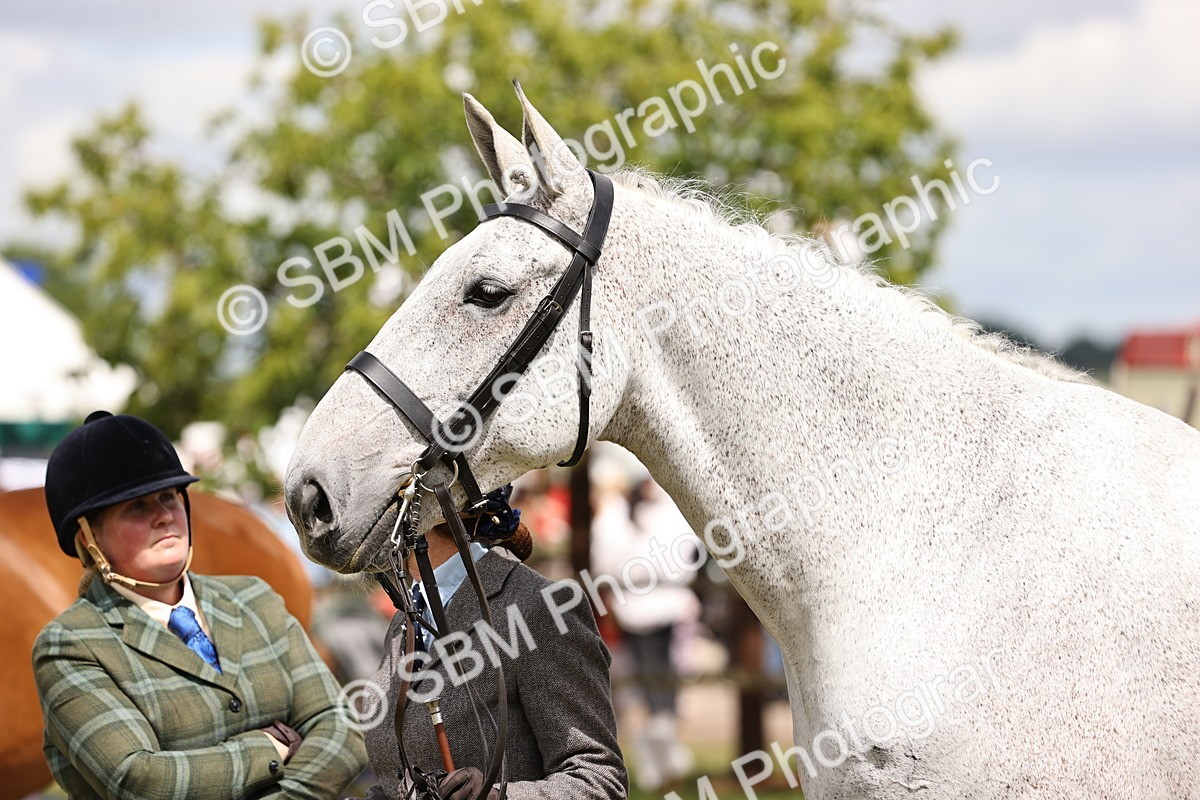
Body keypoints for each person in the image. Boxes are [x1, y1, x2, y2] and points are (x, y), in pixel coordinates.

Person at [32, 411, 367, 799]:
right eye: (136, 507)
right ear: (88, 537)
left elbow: (340, 727)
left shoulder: (255, 599)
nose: (163, 516)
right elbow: (138, 780)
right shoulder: (68, 646)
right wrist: (267, 750)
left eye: (168, 497)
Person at [360, 488, 628, 800]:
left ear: (434, 511)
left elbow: (601, 782)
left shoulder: (540, 609)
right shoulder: (404, 618)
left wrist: (496, 796)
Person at [591, 477, 700, 792]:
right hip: (644, 611)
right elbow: (682, 562)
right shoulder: (624, 512)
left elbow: (606, 562)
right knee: (652, 687)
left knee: (653, 686)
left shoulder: (654, 509)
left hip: (653, 609)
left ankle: (662, 759)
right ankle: (660, 760)